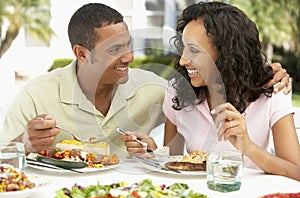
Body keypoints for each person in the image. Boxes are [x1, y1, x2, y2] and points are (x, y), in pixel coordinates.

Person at [0, 3, 291, 157]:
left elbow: (169, 151)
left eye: (128, 44)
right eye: (115, 49)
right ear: (81, 53)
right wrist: (24, 142)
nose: (128, 56)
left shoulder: (154, 89)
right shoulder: (35, 95)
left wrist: (265, 71)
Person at [121, 2, 300, 181]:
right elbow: (173, 162)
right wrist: (153, 152)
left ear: (227, 54)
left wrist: (248, 147)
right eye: (184, 48)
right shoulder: (178, 91)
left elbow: (296, 171)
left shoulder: (272, 90)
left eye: (194, 51)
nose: (183, 61)